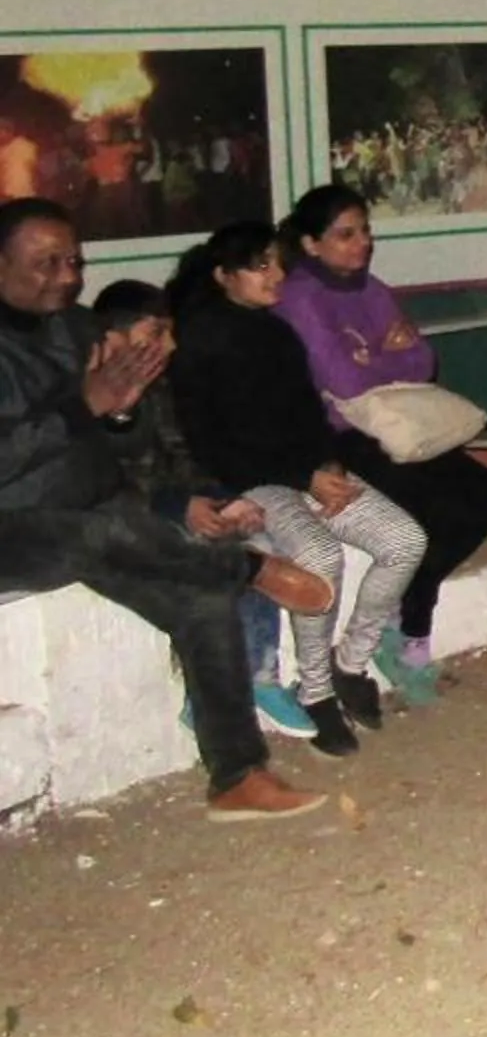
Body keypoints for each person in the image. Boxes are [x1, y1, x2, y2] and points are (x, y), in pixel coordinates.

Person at [0, 199, 326, 821]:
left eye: (73, 261)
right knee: (96, 529)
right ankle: (246, 569)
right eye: (46, 263)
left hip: (96, 513)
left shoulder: (73, 329)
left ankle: (237, 776)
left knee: (200, 603)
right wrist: (81, 408)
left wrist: (119, 410)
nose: (67, 276)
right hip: (16, 526)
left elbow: (123, 441)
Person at [169, 222, 433, 756]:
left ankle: (350, 663)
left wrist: (327, 465)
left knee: (405, 540)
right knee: (319, 555)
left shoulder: (274, 330)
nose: (277, 275)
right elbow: (215, 446)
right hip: (254, 483)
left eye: (277, 263)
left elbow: (309, 412)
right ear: (224, 276)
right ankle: (315, 693)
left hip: (308, 471)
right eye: (260, 266)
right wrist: (304, 476)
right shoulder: (199, 342)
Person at [277, 184, 487, 701]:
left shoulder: (371, 287)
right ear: (311, 244)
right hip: (343, 436)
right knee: (429, 517)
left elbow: (423, 362)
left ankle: (400, 609)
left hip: (399, 425)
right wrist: (387, 357)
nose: (361, 243)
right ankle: (411, 633)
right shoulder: (300, 297)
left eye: (364, 231)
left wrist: (377, 361)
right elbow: (341, 380)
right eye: (345, 234)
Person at [93, 279, 315, 743]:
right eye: (155, 331)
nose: (167, 344)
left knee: (251, 536)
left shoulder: (159, 385)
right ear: (111, 337)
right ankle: (209, 696)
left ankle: (259, 679)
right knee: (213, 557)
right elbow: (103, 479)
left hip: (174, 502)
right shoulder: (87, 389)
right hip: (119, 518)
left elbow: (183, 457)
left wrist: (221, 498)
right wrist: (181, 506)